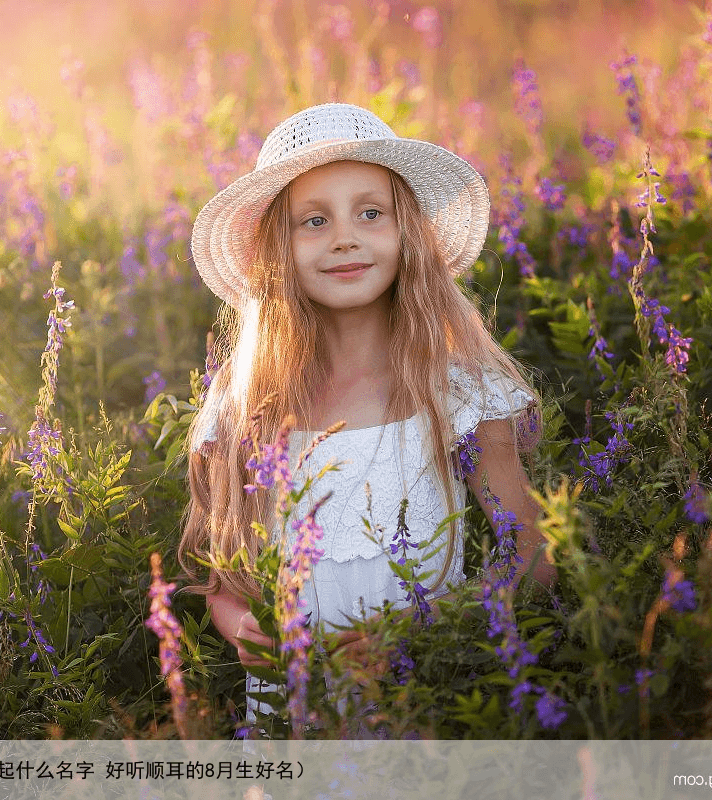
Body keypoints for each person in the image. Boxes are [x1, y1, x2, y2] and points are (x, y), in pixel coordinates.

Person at [176, 103, 554, 734]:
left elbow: (531, 551)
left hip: (427, 698)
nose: (345, 238)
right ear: (277, 248)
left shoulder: (457, 386)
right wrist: (250, 630)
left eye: (370, 213)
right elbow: (225, 577)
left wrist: (426, 635)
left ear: (408, 231)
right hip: (288, 717)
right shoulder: (248, 398)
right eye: (314, 220)